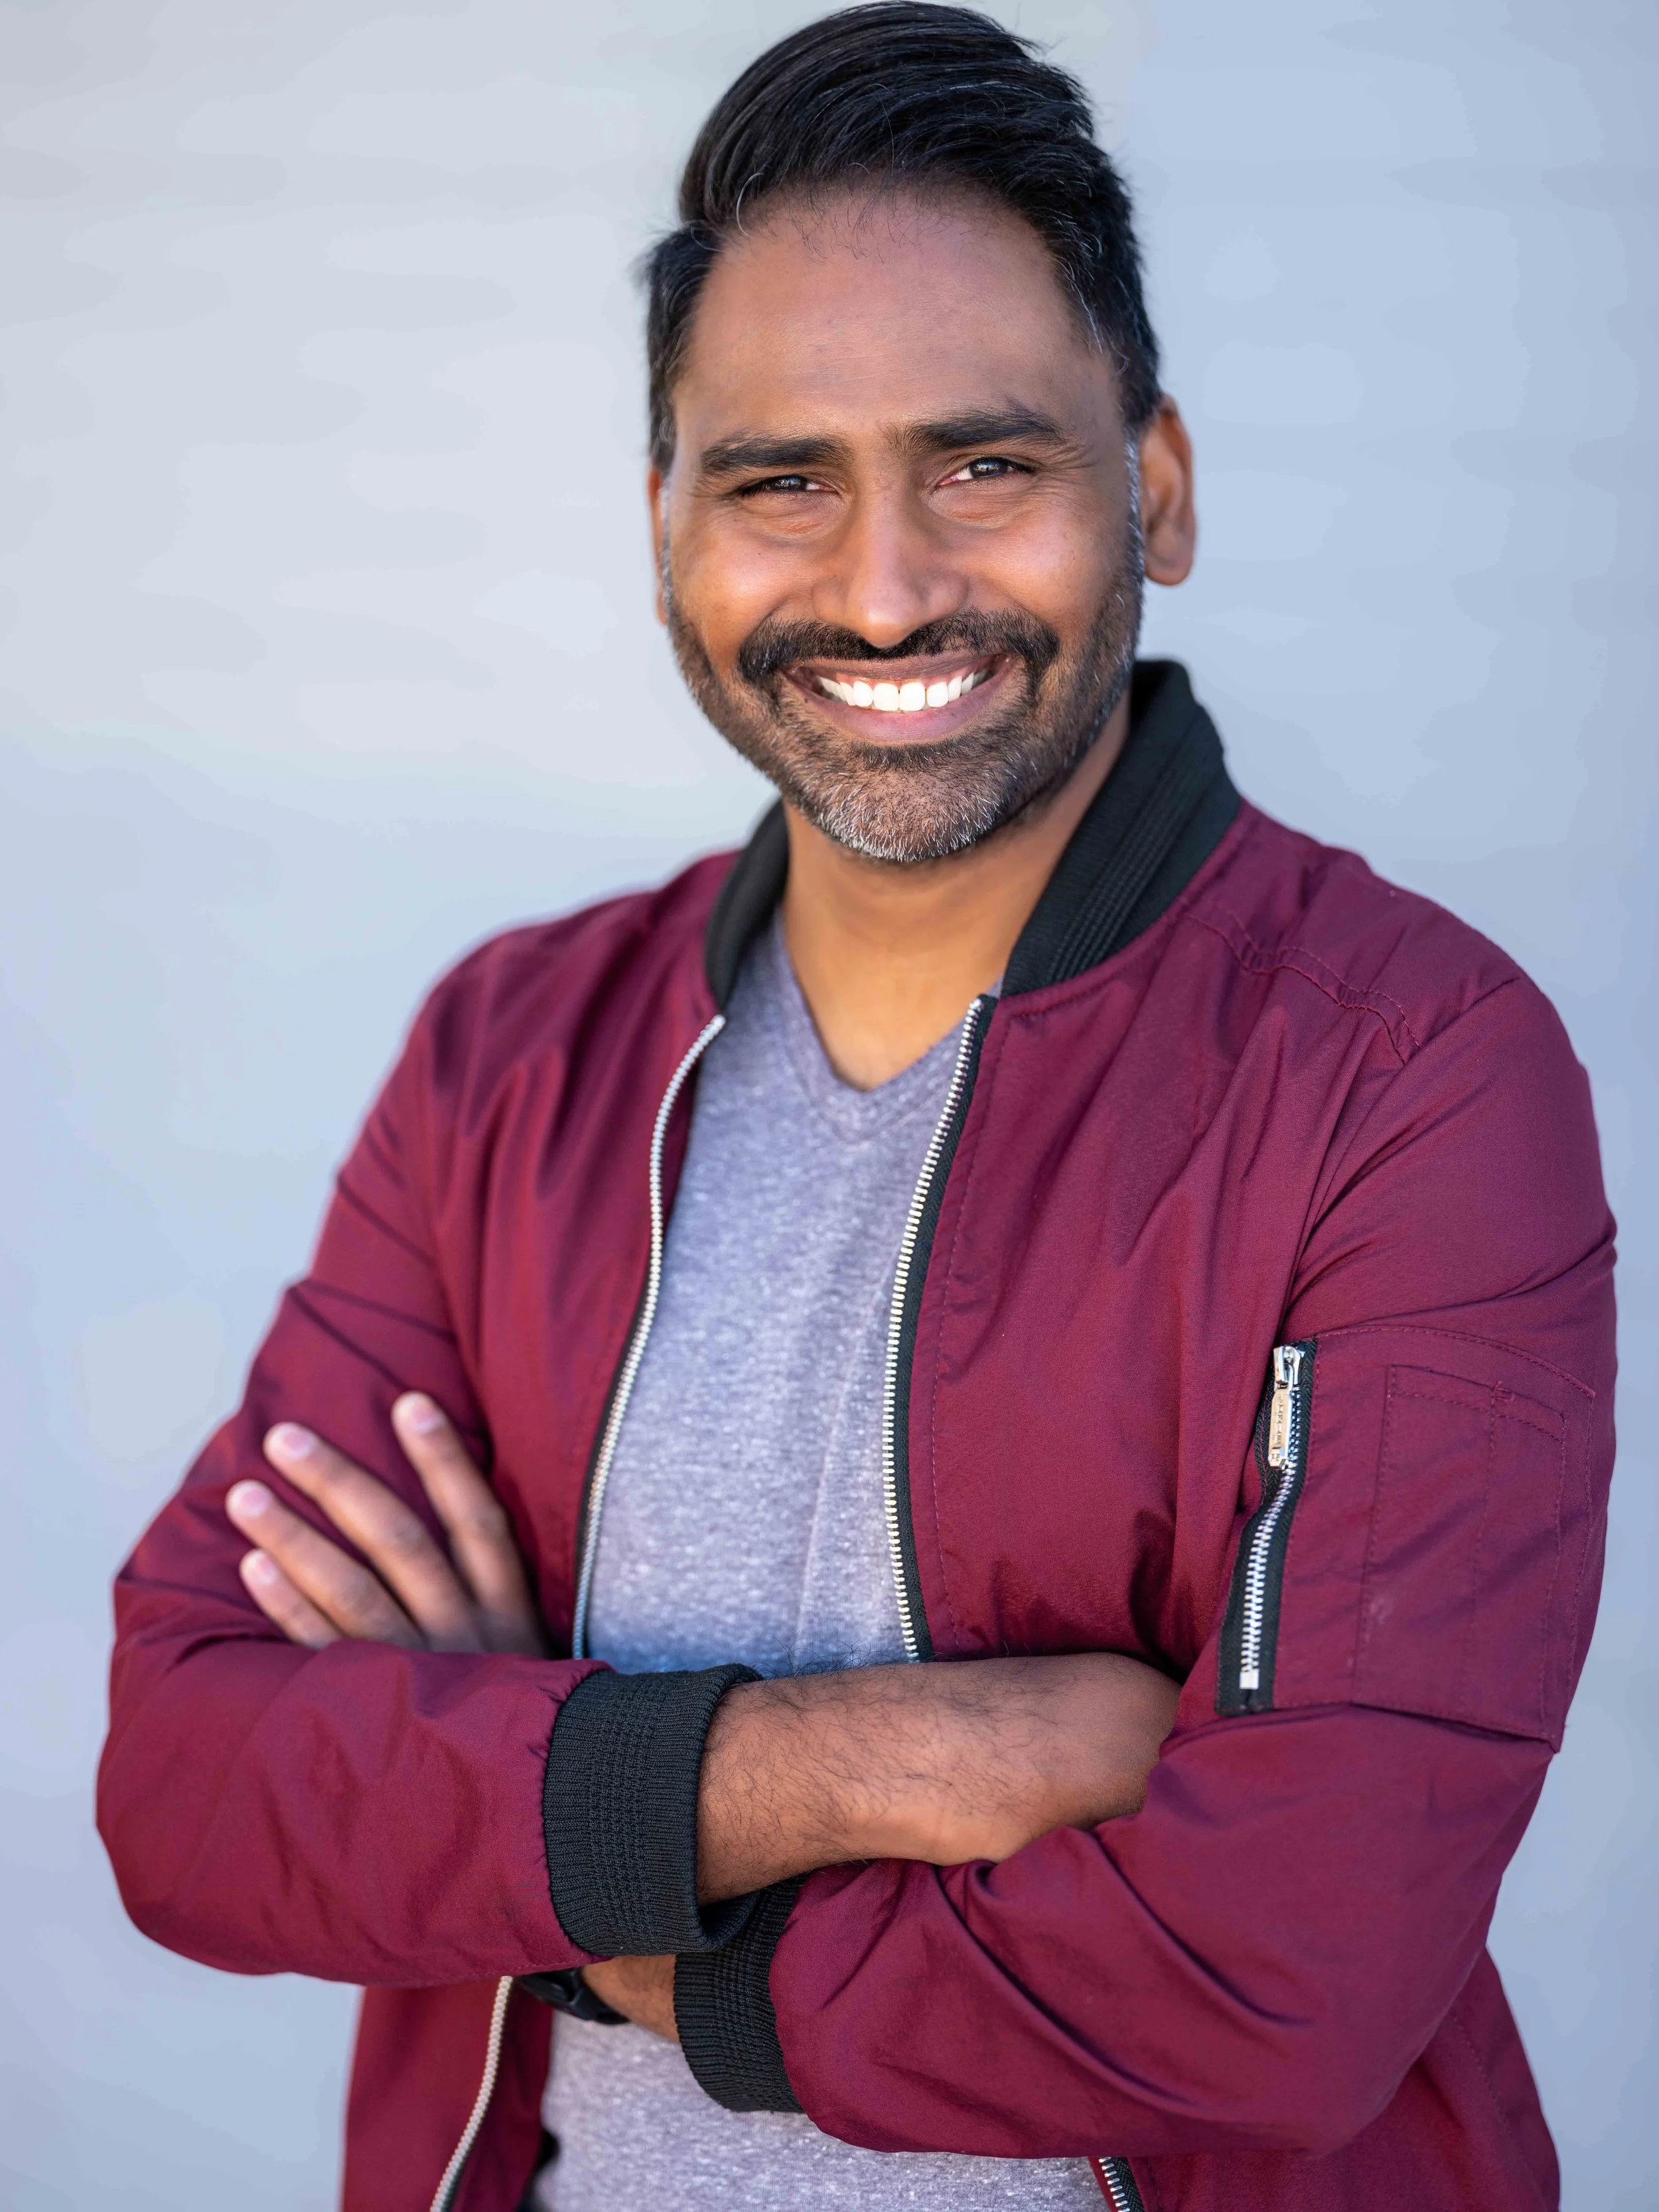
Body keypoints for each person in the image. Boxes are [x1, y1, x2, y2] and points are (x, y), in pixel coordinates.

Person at [97, 8, 1617, 2211]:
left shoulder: (1404, 1074)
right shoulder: (505, 1053)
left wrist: (568, 1869)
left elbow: (1289, 1971)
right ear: (662, 534)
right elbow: (196, 1787)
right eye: (778, 476)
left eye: (982, 463)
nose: (884, 586)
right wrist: (938, 1749)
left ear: (1155, 488)